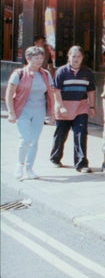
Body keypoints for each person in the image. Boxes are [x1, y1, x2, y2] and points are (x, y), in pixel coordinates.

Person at [5, 46, 55, 180]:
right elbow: (9, 94)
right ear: (28, 59)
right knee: (25, 139)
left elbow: (51, 93)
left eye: (41, 58)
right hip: (23, 110)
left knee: (34, 140)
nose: (40, 61)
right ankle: (19, 165)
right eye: (36, 58)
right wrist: (11, 112)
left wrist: (52, 113)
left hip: (39, 110)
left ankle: (29, 168)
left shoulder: (45, 74)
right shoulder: (19, 73)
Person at [50, 45, 96, 173]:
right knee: (61, 135)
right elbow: (56, 91)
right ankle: (55, 158)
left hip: (80, 108)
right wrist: (60, 107)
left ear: (82, 58)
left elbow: (91, 91)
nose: (76, 59)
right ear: (68, 57)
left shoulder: (87, 72)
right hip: (64, 108)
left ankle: (81, 163)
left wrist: (92, 106)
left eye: (79, 56)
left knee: (81, 135)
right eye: (73, 56)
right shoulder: (61, 71)